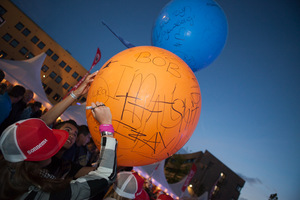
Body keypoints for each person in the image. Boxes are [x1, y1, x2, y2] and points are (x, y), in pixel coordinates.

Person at [0, 101, 117, 200]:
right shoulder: (43, 194)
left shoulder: (10, 171)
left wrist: (76, 93)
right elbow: (105, 176)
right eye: (47, 147)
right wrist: (106, 125)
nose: (71, 136)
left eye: (75, 134)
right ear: (37, 157)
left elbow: (40, 125)